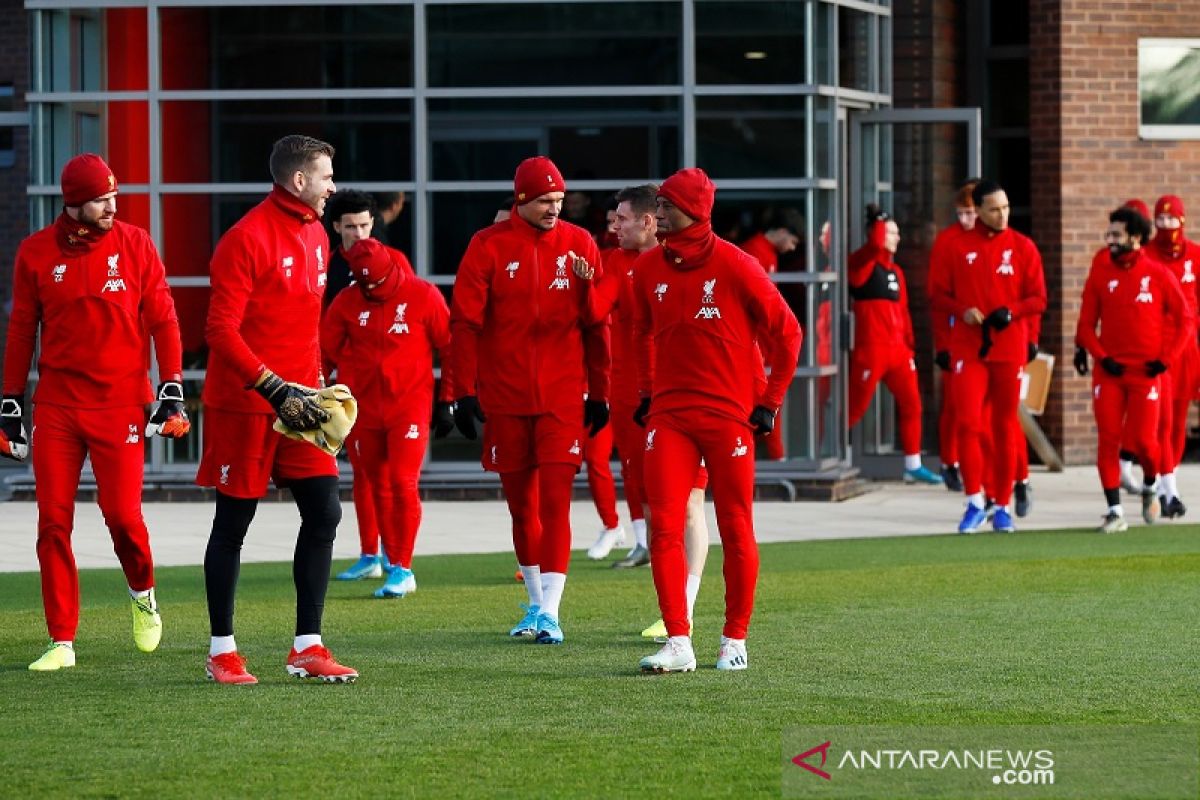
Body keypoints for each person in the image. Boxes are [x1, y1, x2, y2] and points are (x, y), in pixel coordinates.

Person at [2, 153, 188, 671]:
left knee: (122, 517)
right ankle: (61, 639)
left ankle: (143, 591)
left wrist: (171, 384)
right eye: (100, 199)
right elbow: (21, 331)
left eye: (113, 196)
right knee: (52, 523)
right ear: (74, 202)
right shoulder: (35, 253)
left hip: (121, 402)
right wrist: (10, 401)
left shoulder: (135, 245)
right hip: (58, 406)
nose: (111, 206)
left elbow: (164, 318)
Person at [197, 134, 357, 685]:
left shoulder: (316, 233)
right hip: (244, 405)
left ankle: (307, 647)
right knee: (233, 524)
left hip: (298, 404)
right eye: (326, 175)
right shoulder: (245, 238)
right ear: (298, 181)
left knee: (326, 513)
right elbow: (218, 329)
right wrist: (272, 387)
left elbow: (303, 325)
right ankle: (222, 650)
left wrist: (314, 388)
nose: (333, 185)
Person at [631, 168, 801, 673]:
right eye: (657, 205)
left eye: (664, 206)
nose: (656, 214)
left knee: (736, 526)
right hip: (671, 417)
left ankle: (734, 639)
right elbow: (640, 332)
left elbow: (788, 334)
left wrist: (769, 401)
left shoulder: (738, 265)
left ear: (693, 210)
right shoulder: (646, 270)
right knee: (663, 526)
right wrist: (646, 392)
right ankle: (678, 642)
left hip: (730, 418)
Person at [448, 156, 610, 645]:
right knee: (521, 507)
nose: (553, 210)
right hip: (506, 396)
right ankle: (536, 604)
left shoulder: (580, 245)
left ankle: (552, 613)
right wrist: (462, 390)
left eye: (559, 201)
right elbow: (465, 324)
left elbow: (598, 323)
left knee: (557, 501)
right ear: (521, 200)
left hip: (563, 396)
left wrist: (600, 393)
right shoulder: (488, 246)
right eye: (544, 201)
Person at [572, 183, 713, 634]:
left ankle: (684, 611)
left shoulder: (688, 260)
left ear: (649, 221)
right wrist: (582, 283)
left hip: (685, 395)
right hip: (633, 403)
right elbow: (596, 312)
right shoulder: (616, 263)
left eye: (621, 220)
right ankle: (673, 610)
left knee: (690, 504)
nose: (613, 227)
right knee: (655, 510)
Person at [321, 238, 455, 597]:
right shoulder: (348, 301)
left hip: (408, 404)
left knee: (402, 482)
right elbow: (324, 352)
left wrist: (449, 400)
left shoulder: (423, 295)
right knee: (374, 482)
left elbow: (449, 346)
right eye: (364, 285)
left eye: (376, 284)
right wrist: (318, 395)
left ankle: (403, 567)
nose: (371, 291)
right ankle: (390, 559)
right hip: (363, 408)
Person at [929, 179, 1047, 534]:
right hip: (968, 347)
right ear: (978, 210)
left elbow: (1038, 298)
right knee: (968, 422)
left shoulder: (1023, 247)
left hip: (1009, 348)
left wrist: (1011, 311)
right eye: (994, 209)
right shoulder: (954, 245)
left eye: (1006, 207)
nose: (1002, 214)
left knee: (1005, 425)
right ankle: (974, 499)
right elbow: (937, 294)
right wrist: (962, 311)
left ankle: (1002, 503)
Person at [1076, 206, 1189, 531]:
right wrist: (1100, 355)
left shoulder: (1157, 274)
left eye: (1116, 235)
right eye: (1108, 234)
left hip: (1147, 373)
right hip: (1110, 372)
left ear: (1136, 238)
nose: (1109, 240)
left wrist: (1166, 359)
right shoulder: (1100, 273)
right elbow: (1085, 325)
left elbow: (1185, 320)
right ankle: (1114, 511)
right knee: (1108, 439)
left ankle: (1150, 487)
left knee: (1145, 441)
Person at [319, 189, 388, 581]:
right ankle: (368, 553)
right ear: (336, 227)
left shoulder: (388, 265)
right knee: (361, 472)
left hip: (385, 387)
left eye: (364, 225)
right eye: (350, 226)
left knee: (390, 476)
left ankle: (397, 558)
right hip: (344, 383)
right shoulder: (327, 266)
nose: (359, 233)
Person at [847, 205, 942, 485]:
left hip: (898, 352)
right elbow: (874, 246)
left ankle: (913, 464)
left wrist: (909, 346)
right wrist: (879, 220)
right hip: (871, 350)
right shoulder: (861, 265)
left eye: (897, 232)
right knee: (855, 407)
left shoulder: (897, 272)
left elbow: (903, 312)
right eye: (891, 232)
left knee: (913, 403)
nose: (896, 238)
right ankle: (831, 453)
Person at [1144, 195, 1200, 518]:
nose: (1167, 226)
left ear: (1183, 221)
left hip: (1187, 349)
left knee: (1178, 419)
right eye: (1161, 220)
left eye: (1172, 220)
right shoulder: (1148, 255)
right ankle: (1167, 489)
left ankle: (1167, 481)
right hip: (1157, 349)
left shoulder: (1194, 254)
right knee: (1159, 423)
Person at [927, 180, 979, 491]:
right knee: (954, 404)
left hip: (984, 340)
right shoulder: (948, 241)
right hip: (954, 334)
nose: (966, 220)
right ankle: (950, 460)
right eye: (961, 213)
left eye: (971, 213)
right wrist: (943, 344)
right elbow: (937, 297)